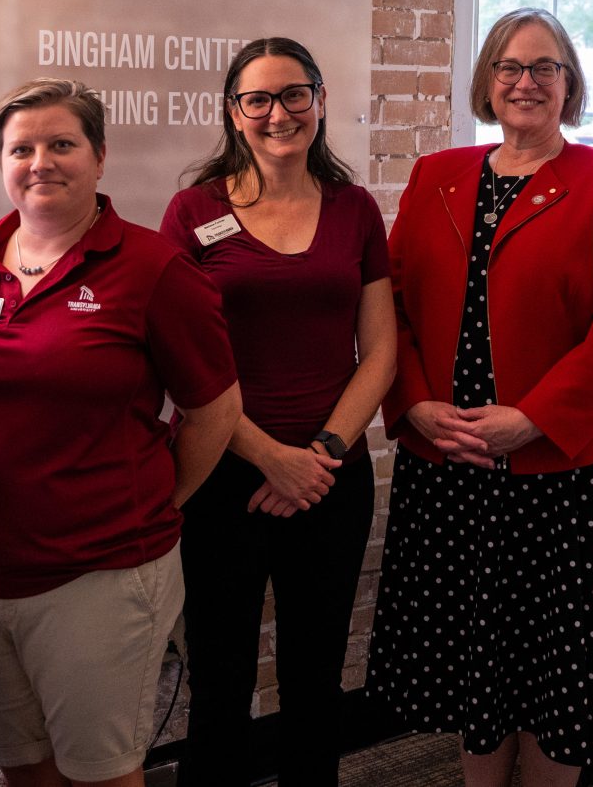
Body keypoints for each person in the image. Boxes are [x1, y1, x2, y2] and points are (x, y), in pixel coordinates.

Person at [367, 7, 593, 787]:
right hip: (454, 467)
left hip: (574, 477)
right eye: (509, 66)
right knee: (481, 669)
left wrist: (533, 419)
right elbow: (392, 307)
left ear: (569, 84)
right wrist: (411, 404)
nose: (525, 81)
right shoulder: (436, 174)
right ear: (487, 80)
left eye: (545, 68)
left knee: (559, 679)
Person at [0, 80, 242, 787]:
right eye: (22, 148)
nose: (40, 161)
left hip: (102, 575)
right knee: (24, 769)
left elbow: (214, 409)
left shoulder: (152, 269)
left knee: (102, 776)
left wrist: (155, 501)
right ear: (2, 163)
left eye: (62, 144)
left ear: (100, 155)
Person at [160, 39, 396, 787]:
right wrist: (269, 456)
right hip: (223, 477)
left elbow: (382, 349)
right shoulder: (192, 212)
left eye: (295, 94)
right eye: (256, 99)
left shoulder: (355, 209)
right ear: (232, 113)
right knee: (222, 682)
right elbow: (180, 365)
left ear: (321, 100)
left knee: (315, 678)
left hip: (332, 477)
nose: (277, 113)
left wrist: (318, 454)